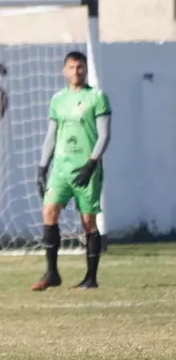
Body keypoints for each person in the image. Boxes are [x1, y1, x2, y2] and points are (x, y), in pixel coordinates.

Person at [33, 51, 111, 291]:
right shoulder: (58, 99)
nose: (76, 71)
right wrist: (42, 167)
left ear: (85, 69)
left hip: (87, 169)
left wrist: (91, 163)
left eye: (80, 67)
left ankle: (91, 278)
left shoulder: (97, 97)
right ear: (64, 70)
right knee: (49, 211)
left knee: (88, 222)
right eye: (71, 67)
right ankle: (51, 273)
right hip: (61, 169)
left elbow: (104, 135)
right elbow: (51, 135)